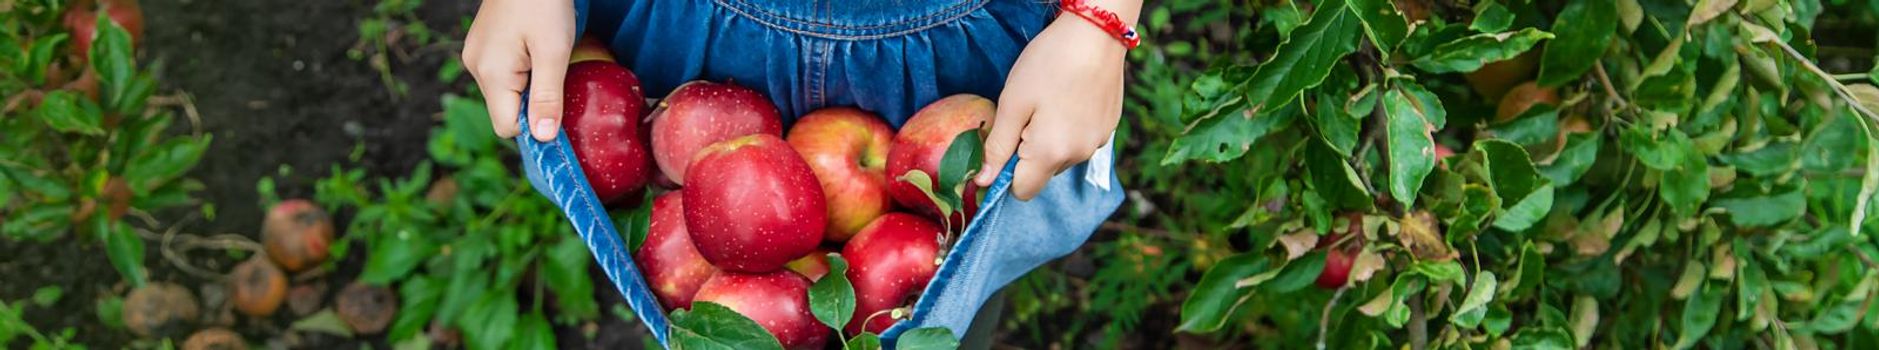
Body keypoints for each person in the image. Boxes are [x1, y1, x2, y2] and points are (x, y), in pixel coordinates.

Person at [461, 0, 1132, 341]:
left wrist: (1100, 18)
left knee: (942, 288)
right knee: (689, 302)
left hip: (964, 54)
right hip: (685, 36)